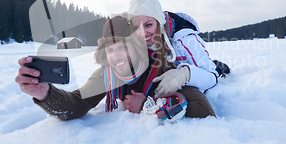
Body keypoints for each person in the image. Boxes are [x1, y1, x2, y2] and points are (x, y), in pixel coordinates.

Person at [15, 15, 216, 121]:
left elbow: (203, 109)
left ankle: (219, 67)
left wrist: (149, 105)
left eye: (122, 47)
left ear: (137, 48)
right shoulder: (107, 74)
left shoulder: (161, 68)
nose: (115, 56)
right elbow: (76, 105)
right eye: (109, 51)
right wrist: (45, 94)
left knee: (215, 69)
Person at [127, 0, 230, 97]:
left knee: (214, 69)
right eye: (136, 27)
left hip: (199, 69)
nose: (143, 33)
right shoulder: (135, 42)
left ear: (159, 23)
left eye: (148, 25)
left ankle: (218, 66)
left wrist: (184, 75)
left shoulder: (186, 40)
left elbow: (212, 77)